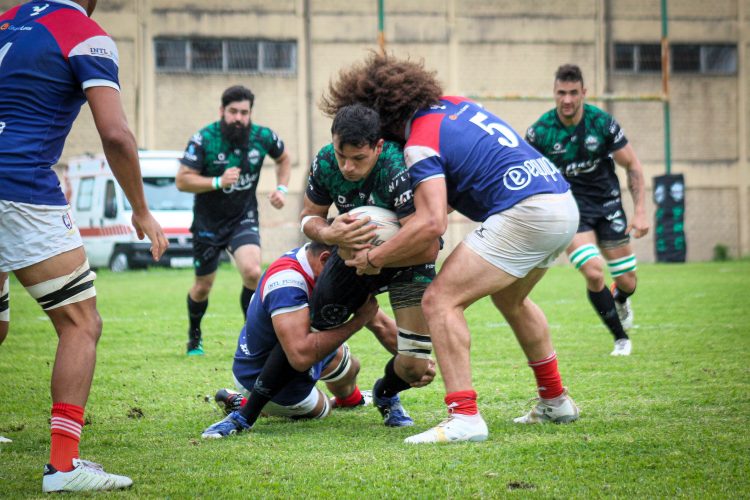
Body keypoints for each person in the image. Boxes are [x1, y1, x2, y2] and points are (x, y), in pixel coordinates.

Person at [321, 53, 580, 444]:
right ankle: (555, 399)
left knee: (439, 300)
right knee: (512, 301)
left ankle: (465, 417)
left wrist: (374, 257)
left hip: (526, 211)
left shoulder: (418, 142)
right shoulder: (454, 105)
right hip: (560, 202)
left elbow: (432, 224)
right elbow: (459, 185)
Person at [0, 0, 168, 492]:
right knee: (80, 323)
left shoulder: (7, 19)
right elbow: (115, 134)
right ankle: (63, 465)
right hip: (20, 188)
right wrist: (140, 207)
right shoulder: (83, 33)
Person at [300, 104, 439, 427]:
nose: (347, 167)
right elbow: (309, 217)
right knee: (322, 319)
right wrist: (328, 232)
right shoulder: (325, 161)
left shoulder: (398, 166)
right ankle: (370, 318)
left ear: (378, 147)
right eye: (341, 155)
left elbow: (429, 248)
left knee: (415, 368)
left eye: (358, 158)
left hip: (407, 261)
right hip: (352, 256)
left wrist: (378, 258)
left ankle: (386, 392)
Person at [525, 64, 649, 356]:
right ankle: (621, 338)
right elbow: (527, 174)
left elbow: (632, 165)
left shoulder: (601, 123)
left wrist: (641, 210)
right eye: (561, 93)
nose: (567, 100)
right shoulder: (540, 132)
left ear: (583, 93)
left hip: (607, 204)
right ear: (554, 94)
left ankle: (620, 299)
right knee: (594, 272)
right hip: (570, 210)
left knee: (627, 280)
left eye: (572, 93)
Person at [201, 241, 380, 438]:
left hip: (276, 353)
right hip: (257, 376)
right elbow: (299, 356)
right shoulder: (287, 282)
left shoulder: (307, 260)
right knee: (323, 409)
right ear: (327, 259)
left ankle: (351, 399)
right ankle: (246, 404)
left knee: (348, 362)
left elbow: (382, 325)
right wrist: (360, 320)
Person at [176, 85, 291, 356]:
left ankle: (252, 335)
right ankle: (194, 336)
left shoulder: (263, 137)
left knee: (253, 272)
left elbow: (284, 159)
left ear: (250, 113)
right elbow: (182, 180)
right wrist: (217, 180)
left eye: (244, 112)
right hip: (208, 223)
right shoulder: (205, 139)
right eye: (233, 112)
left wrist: (282, 189)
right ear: (222, 111)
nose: (238, 118)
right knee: (203, 287)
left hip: (243, 216)